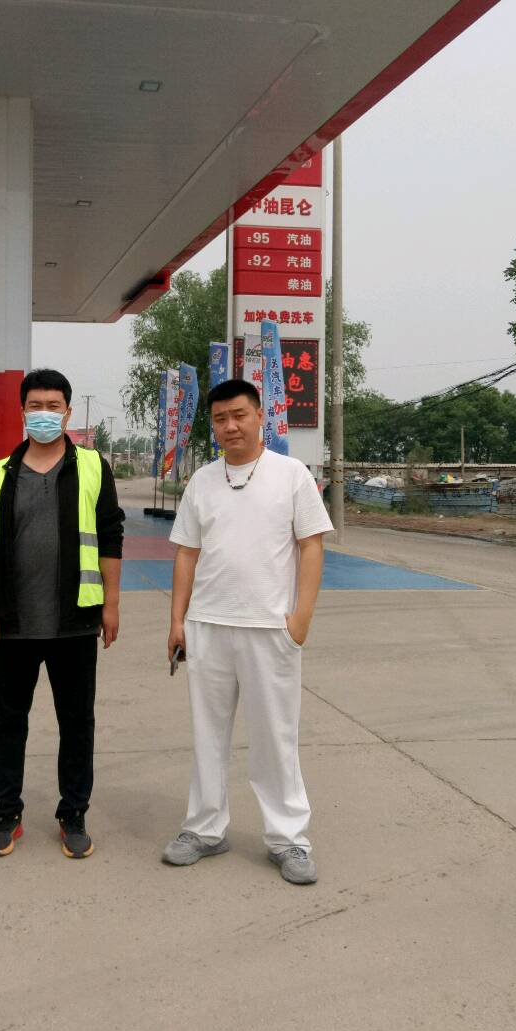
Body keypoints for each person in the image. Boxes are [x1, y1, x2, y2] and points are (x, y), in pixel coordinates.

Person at [162, 378, 333, 884]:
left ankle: (288, 838)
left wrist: (300, 619)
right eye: (220, 419)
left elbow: (312, 545)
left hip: (269, 627)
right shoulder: (202, 481)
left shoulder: (291, 475)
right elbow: (186, 553)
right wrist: (177, 620)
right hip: (208, 625)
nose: (230, 426)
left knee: (275, 737)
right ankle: (204, 829)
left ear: (260, 416)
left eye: (239, 415)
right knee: (207, 734)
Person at [0, 368, 124, 860]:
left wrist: (112, 605)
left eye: (53, 406)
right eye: (36, 405)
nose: (44, 414)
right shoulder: (0, 474)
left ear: (68, 413)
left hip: (74, 622)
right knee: (8, 722)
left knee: (77, 723)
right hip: (12, 623)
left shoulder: (93, 467)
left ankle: (73, 813)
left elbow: (111, 536)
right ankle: (6, 813)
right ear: (23, 412)